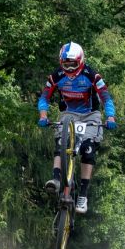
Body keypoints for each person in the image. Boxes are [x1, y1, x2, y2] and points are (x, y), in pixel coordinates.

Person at [37, 41, 117, 214]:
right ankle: (56, 180)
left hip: (90, 115)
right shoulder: (56, 76)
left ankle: (83, 195)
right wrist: (43, 115)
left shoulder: (92, 75)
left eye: (73, 64)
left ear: (80, 61)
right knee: (61, 143)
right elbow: (44, 97)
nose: (69, 68)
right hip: (68, 114)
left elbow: (106, 98)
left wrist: (110, 116)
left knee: (88, 149)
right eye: (65, 64)